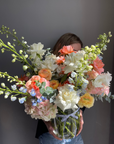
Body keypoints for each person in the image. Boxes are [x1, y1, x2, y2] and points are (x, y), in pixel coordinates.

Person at [35, 33, 85, 144]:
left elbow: (84, 97)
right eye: (72, 51)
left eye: (78, 52)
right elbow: (38, 102)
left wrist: (80, 113)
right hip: (50, 133)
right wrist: (49, 125)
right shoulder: (46, 70)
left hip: (73, 131)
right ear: (61, 49)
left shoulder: (79, 73)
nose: (75, 56)